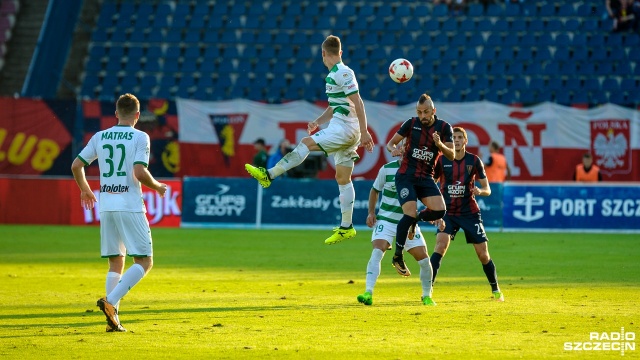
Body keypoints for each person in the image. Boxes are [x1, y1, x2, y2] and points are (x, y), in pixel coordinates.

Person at [245, 35, 374, 245]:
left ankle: (269, 175)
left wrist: (365, 130)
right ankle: (346, 227)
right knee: (343, 178)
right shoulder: (336, 75)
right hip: (343, 127)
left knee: (306, 143)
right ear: (340, 52)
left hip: (345, 128)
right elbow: (337, 106)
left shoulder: (343, 72)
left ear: (323, 54)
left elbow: (358, 102)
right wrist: (318, 121)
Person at [71, 93, 168, 332]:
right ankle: (110, 302)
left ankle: (113, 321)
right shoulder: (140, 136)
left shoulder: (100, 136)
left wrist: (85, 189)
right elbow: (139, 172)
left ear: (116, 113)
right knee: (145, 261)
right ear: (137, 115)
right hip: (130, 205)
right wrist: (157, 186)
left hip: (107, 205)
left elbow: (76, 165)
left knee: (116, 262)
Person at [430, 127, 504, 301]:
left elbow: (488, 189)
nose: (456, 140)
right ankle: (428, 289)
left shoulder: (474, 160)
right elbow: (431, 185)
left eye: (459, 137)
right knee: (440, 246)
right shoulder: (441, 161)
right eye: (453, 137)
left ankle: (495, 289)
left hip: (469, 212)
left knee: (483, 254)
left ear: (465, 141)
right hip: (448, 212)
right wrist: (434, 209)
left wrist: (480, 191)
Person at [385, 93, 455, 276]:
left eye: (426, 112)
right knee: (408, 213)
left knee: (440, 211)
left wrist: (440, 144)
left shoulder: (444, 127)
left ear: (434, 110)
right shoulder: (411, 123)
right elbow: (390, 144)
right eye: (419, 112)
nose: (422, 116)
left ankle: (415, 220)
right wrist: (394, 150)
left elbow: (452, 155)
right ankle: (398, 256)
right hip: (406, 176)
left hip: (426, 177)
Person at [358, 159, 441, 306]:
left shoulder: (419, 171)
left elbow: (429, 197)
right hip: (386, 220)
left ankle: (427, 296)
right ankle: (368, 292)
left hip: (408, 222)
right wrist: (371, 212)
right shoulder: (386, 169)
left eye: (407, 145)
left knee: (424, 260)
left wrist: (435, 216)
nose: (404, 149)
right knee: (377, 251)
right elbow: (374, 190)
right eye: (402, 145)